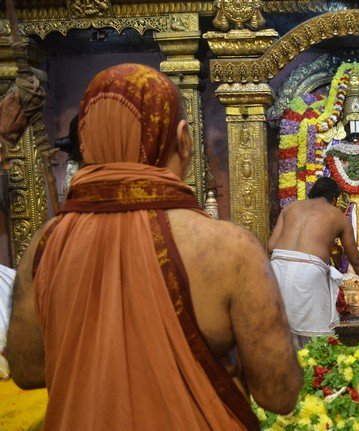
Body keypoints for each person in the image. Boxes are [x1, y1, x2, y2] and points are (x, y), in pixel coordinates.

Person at [6, 64, 302, 430]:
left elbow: (28, 370)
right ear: (183, 138)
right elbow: (279, 393)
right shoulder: (229, 249)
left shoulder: (45, 244)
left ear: (85, 143)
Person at [268, 177, 359, 348]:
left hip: (277, 266)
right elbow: (356, 259)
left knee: (282, 332)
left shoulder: (290, 207)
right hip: (310, 269)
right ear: (334, 199)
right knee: (315, 338)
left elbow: (271, 246)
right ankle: (314, 370)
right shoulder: (338, 216)